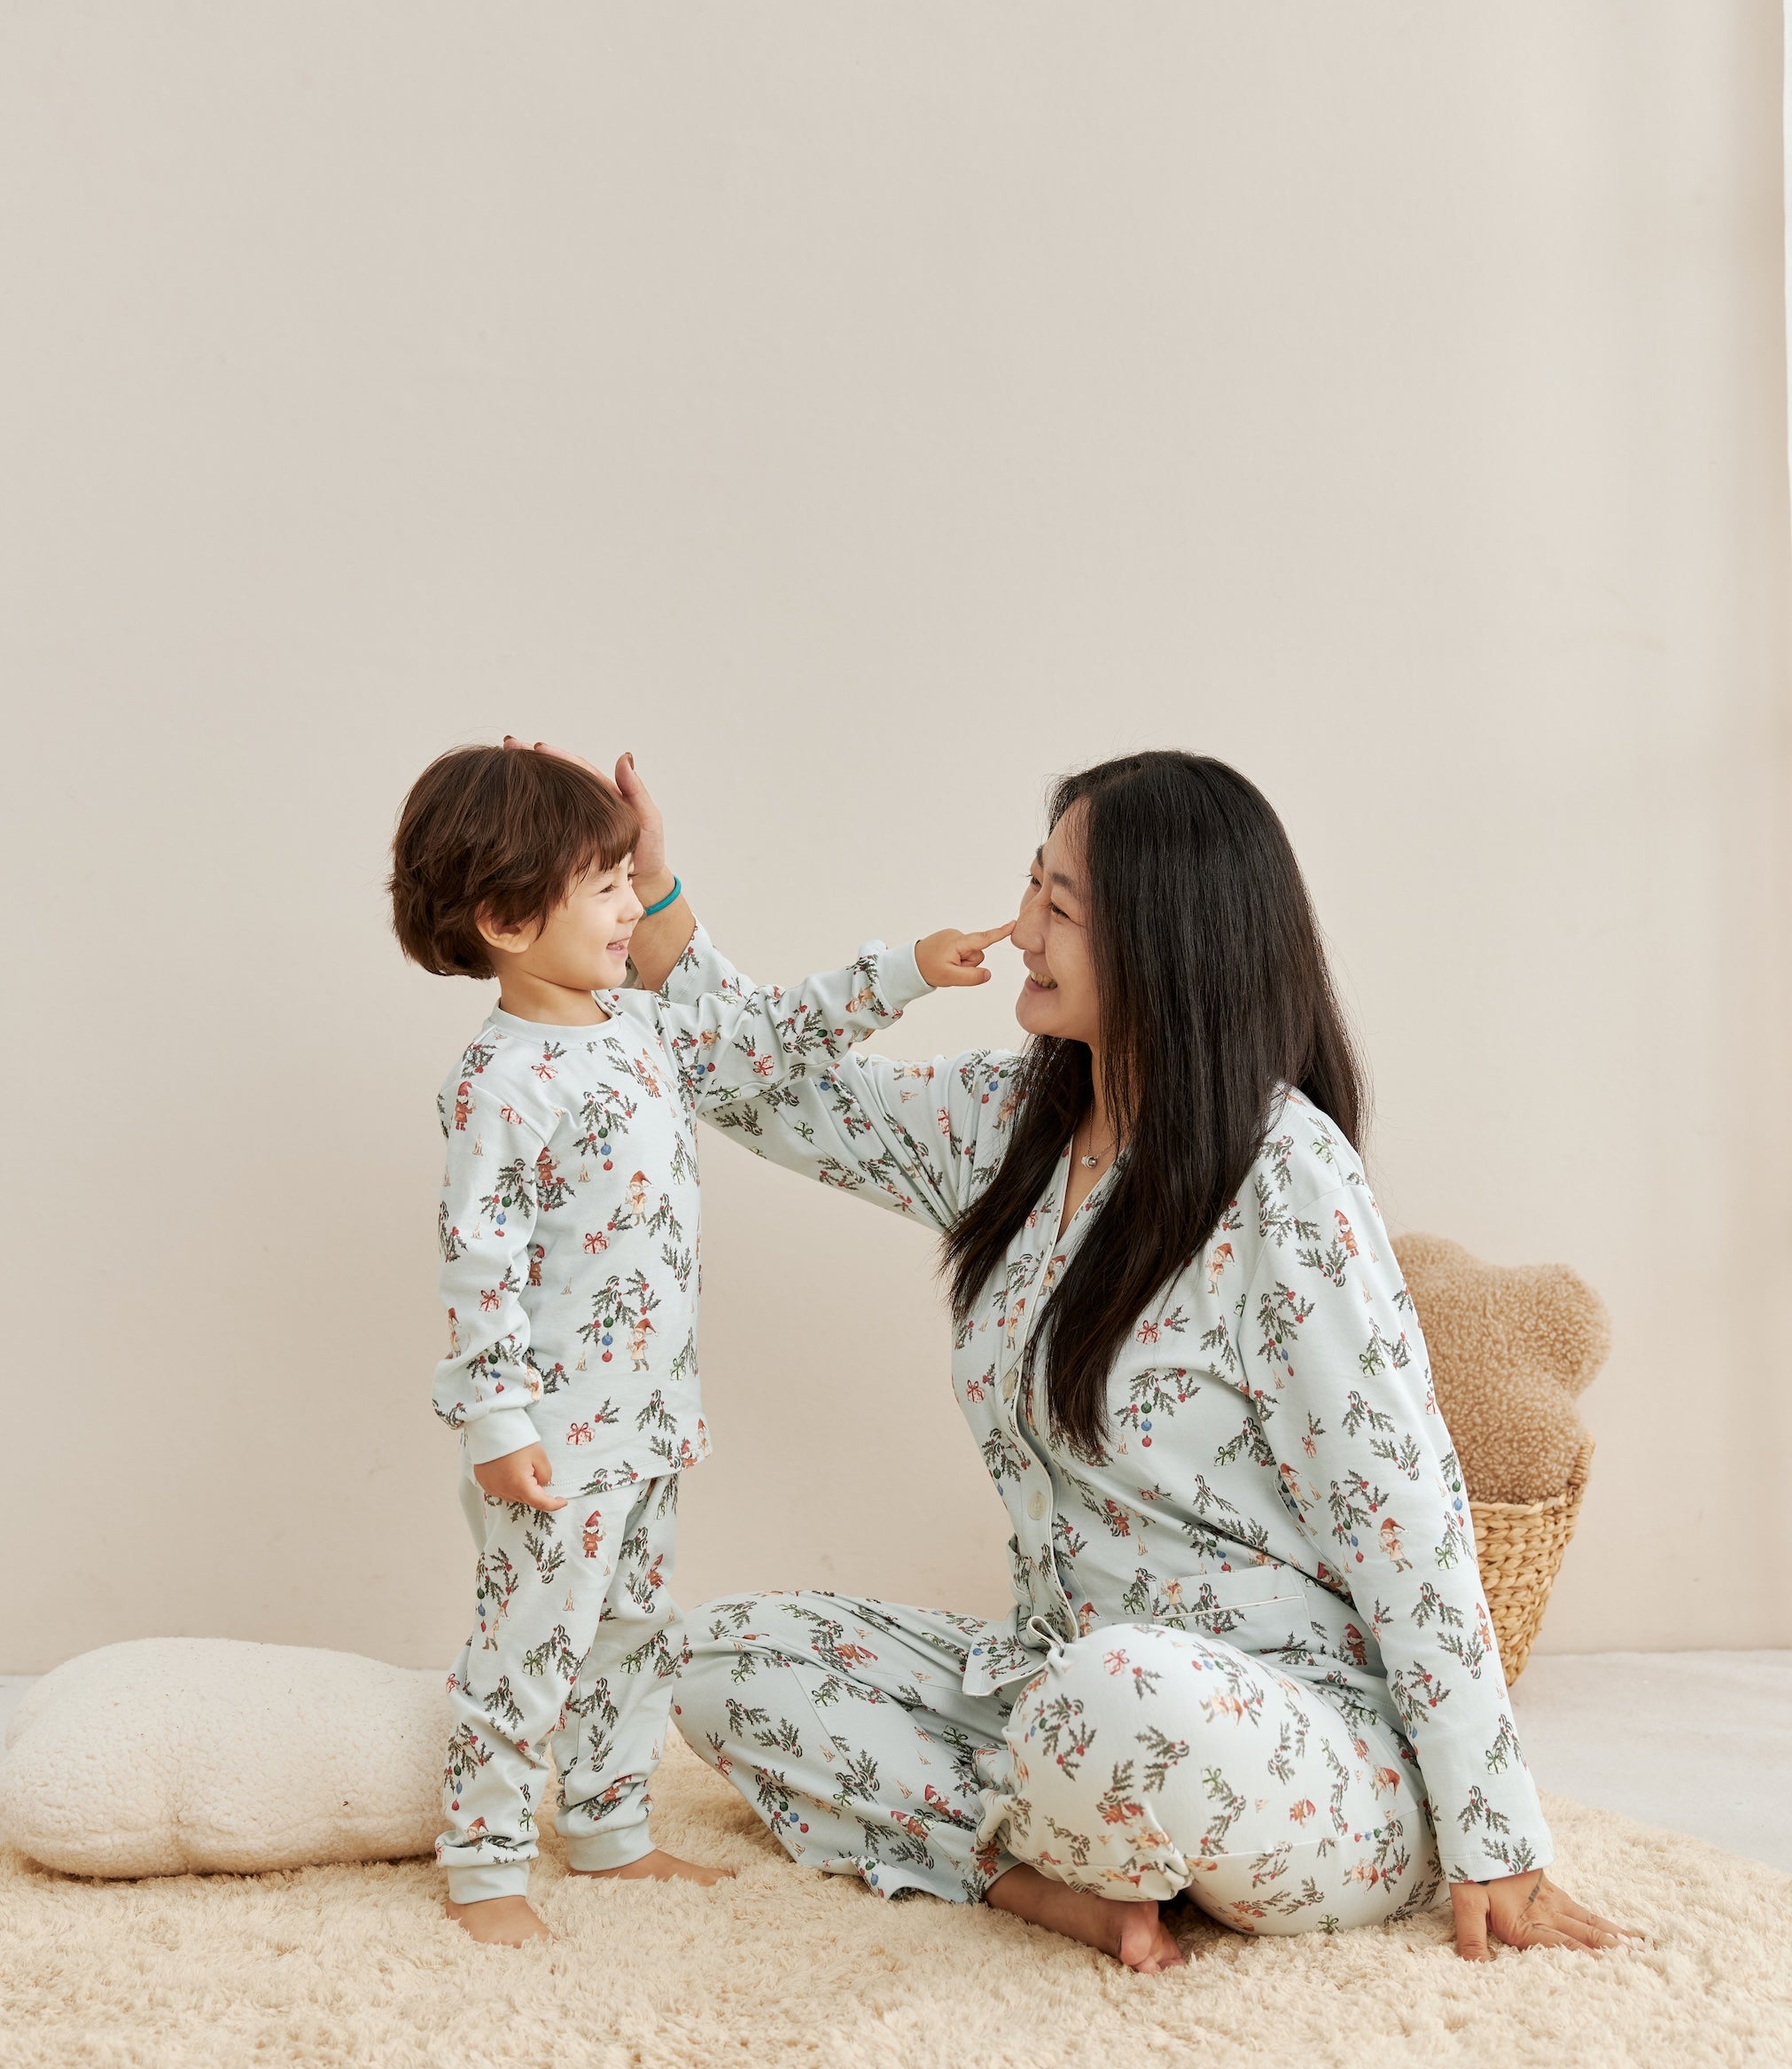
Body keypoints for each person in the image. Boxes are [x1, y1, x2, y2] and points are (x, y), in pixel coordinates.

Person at [617, 746, 1631, 1974]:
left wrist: (1494, 1836)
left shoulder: (1283, 1176)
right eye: (1030, 885)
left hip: (1292, 1743)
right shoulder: (1012, 1124)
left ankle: (1084, 1816)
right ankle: (1038, 1876)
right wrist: (650, 898)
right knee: (716, 1661)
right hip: (1062, 1683)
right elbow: (760, 1091)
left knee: (1120, 1699)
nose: (1022, 929)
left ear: (1164, 942)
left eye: (1061, 907)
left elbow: (1402, 1518)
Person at [388, 740, 995, 1945]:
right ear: (509, 919)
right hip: (552, 1441)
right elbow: (481, 1265)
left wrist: (905, 971)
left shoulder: (642, 1032)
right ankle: (487, 1864)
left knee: (631, 1634)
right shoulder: (498, 1082)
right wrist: (498, 1425)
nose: (631, 909)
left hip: (650, 1422)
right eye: (605, 886)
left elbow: (769, 1036)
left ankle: (610, 1834)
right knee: (528, 1649)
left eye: (627, 880)